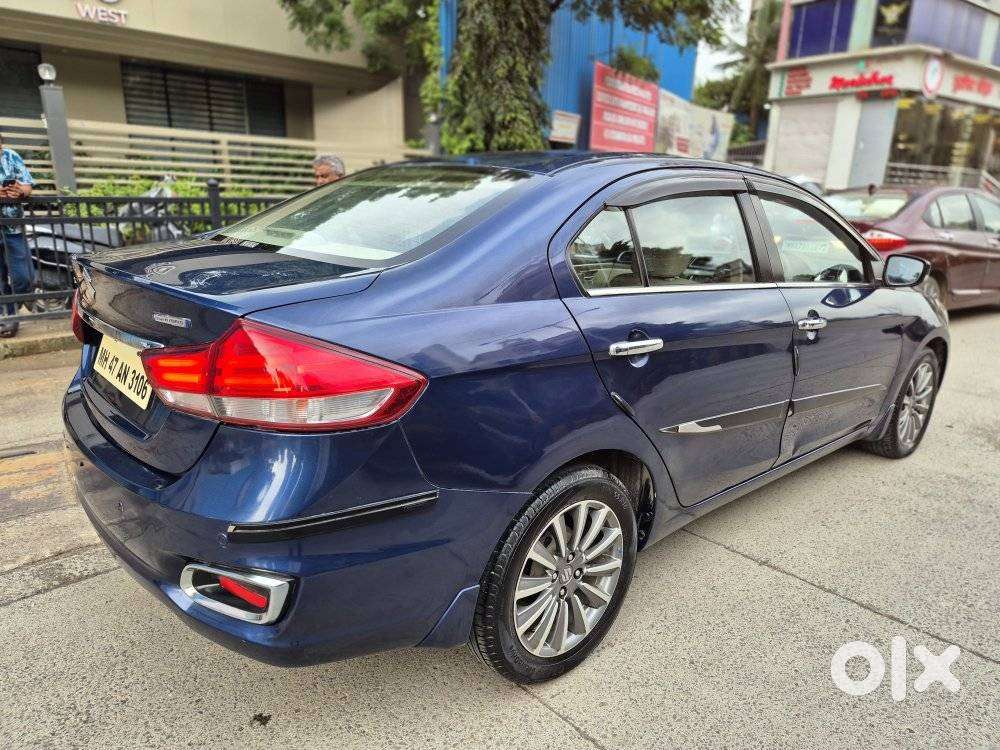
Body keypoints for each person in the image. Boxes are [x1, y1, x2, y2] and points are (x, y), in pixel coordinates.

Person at [0, 131, 34, 338]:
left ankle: (11, 309)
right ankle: (9, 318)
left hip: (13, 227)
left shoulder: (11, 156)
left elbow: (28, 185)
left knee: (25, 277)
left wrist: (20, 191)